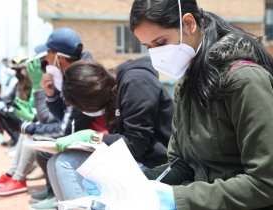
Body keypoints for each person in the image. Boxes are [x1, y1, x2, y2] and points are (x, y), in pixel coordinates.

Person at [126, 0, 273, 209]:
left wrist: (177, 198)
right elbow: (182, 164)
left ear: (189, 24)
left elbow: (265, 183)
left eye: (160, 43)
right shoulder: (186, 84)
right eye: (149, 47)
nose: (156, 55)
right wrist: (134, 184)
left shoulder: (244, 80)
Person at [48, 56, 174, 201]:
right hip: (137, 160)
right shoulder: (115, 91)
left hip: (158, 165)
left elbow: (135, 146)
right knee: (55, 161)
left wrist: (93, 137)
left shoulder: (135, 83)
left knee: (66, 163)